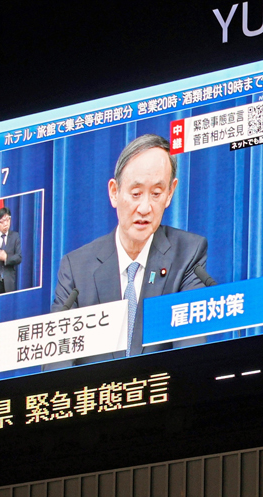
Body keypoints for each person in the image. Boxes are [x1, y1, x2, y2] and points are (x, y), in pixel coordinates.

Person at [51, 133, 215, 356]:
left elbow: (191, 353)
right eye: (136, 193)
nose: (145, 208)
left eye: (156, 193)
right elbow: (55, 361)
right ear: (114, 192)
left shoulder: (188, 255)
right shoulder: (75, 268)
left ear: (170, 193)